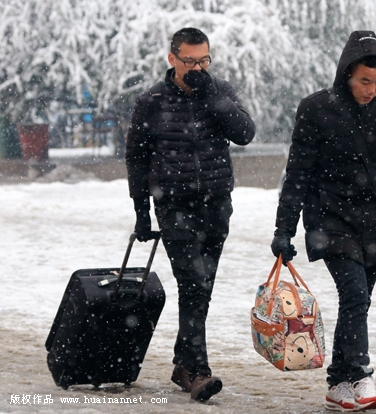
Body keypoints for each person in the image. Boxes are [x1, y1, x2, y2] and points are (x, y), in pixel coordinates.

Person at [271, 30, 376, 412]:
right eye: (364, 81)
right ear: (347, 73)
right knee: (355, 295)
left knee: (356, 305)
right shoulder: (316, 109)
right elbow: (297, 174)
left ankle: (338, 384)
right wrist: (284, 229)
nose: (371, 90)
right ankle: (361, 376)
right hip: (329, 218)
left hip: (374, 222)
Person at [126, 27, 255, 402]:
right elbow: (136, 160)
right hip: (174, 206)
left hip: (216, 205)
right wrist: (142, 212)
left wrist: (213, 95)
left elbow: (245, 133)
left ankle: (184, 364)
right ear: (172, 59)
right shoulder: (151, 101)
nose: (198, 68)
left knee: (202, 287)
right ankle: (198, 370)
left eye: (204, 61)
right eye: (190, 61)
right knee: (194, 283)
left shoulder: (220, 91)